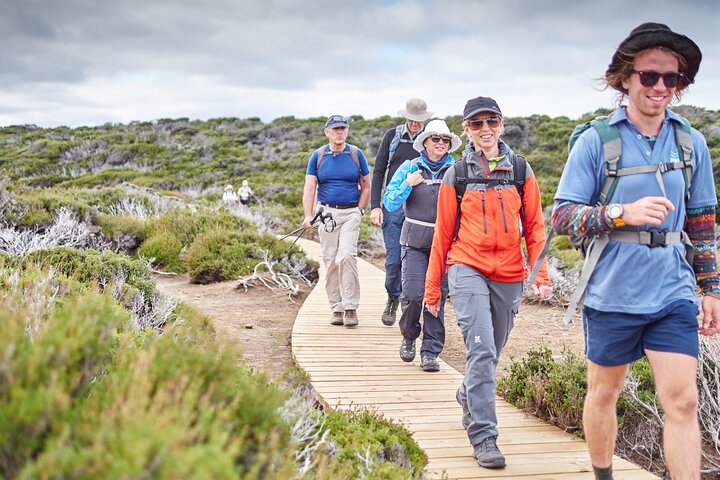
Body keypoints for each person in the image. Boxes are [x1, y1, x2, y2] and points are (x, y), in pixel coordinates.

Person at [552, 23, 719, 480]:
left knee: (683, 399)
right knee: (604, 393)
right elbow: (564, 217)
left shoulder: (691, 143)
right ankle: (603, 474)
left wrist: (711, 288)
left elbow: (702, 221)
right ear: (625, 77)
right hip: (612, 292)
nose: (661, 87)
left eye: (674, 79)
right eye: (650, 76)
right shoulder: (596, 141)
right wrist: (621, 212)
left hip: (673, 291)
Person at [424, 96, 553, 469]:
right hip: (467, 267)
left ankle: (469, 392)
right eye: (476, 124)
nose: (485, 130)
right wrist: (434, 289)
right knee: (480, 351)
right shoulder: (457, 175)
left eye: (491, 122)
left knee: (491, 353)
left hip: (510, 273)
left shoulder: (520, 169)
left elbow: (535, 228)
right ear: (465, 129)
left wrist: (539, 275)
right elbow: (443, 236)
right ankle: (484, 436)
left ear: (501, 124)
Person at [382, 120, 461, 372]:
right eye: (435, 138)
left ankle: (431, 352)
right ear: (424, 141)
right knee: (414, 295)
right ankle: (408, 335)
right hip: (414, 242)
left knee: (436, 298)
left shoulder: (457, 171)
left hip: (444, 246)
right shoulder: (410, 167)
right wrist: (409, 184)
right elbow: (390, 203)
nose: (440, 143)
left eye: (445, 140)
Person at [302, 115, 371, 328]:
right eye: (335, 129)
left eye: (343, 129)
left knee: (347, 257)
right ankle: (336, 308)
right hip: (326, 213)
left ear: (347, 131)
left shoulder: (355, 154)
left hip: (350, 212)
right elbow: (309, 187)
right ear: (327, 132)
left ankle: (350, 307)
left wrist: (360, 210)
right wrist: (308, 215)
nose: (340, 132)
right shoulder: (318, 156)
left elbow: (367, 185)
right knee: (330, 260)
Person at [371, 98, 433, 326]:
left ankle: (414, 306)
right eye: (411, 120)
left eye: (419, 120)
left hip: (420, 206)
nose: (415, 124)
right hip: (394, 203)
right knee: (394, 258)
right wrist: (376, 206)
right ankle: (392, 297)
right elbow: (379, 170)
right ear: (405, 117)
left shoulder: (430, 139)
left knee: (418, 259)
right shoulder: (393, 137)